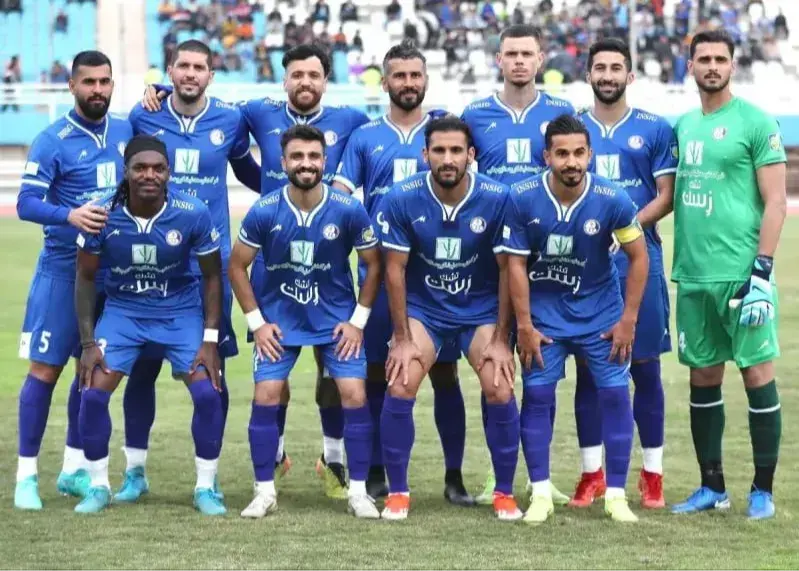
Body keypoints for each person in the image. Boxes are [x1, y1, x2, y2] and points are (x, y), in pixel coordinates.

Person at [142, 43, 371, 498]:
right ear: (283, 79)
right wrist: (165, 88)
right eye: (297, 74)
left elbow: (395, 129)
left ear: (325, 80)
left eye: (314, 75)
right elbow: (204, 102)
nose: (305, 82)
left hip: (326, 264)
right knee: (274, 371)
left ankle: (333, 459)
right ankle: (277, 453)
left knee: (332, 370)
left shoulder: (350, 120)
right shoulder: (257, 112)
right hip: (270, 265)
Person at [647, 30, 786, 520]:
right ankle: (712, 487)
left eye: (720, 59)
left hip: (742, 275)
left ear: (732, 64)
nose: (711, 66)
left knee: (757, 375)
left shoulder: (755, 122)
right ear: (689, 66)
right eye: (703, 58)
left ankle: (762, 490)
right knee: (703, 378)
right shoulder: (684, 125)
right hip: (693, 275)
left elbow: (776, 202)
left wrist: (762, 271)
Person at [119, 39, 260, 504]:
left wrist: (289, 192)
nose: (191, 74)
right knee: (142, 370)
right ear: (170, 70)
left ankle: (208, 478)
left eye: (200, 67)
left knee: (212, 372)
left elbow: (248, 171)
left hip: (208, 269)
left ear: (211, 75)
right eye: (183, 66)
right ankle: (134, 473)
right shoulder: (144, 116)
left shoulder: (230, 120)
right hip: (152, 265)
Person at [333, 41, 472, 504]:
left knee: (445, 373)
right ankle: (377, 472)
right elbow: (341, 197)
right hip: (380, 272)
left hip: (438, 277)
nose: (408, 83)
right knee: (380, 371)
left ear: (426, 79)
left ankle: (454, 477)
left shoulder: (445, 130)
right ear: (386, 81)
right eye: (400, 76)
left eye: (415, 75)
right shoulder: (366, 137)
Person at [228, 125, 381, 519]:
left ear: (325, 162)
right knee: (267, 394)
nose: (306, 164)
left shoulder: (347, 209)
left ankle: (358, 492)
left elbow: (374, 263)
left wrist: (358, 321)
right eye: (297, 156)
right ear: (283, 163)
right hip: (280, 320)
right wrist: (258, 323)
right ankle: (264, 491)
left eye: (314, 156)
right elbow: (236, 266)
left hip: (336, 320)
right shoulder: (265, 209)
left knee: (354, 393)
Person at [504, 114, 648, 524]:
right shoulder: (521, 197)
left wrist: (628, 320)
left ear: (590, 154)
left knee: (616, 396)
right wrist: (524, 325)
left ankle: (616, 496)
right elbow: (514, 265)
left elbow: (639, 257)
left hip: (600, 315)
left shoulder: (612, 198)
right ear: (546, 156)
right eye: (562, 153)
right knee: (537, 397)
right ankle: (541, 493)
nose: (571, 162)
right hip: (544, 320)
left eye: (579, 153)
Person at [377, 116, 521, 521]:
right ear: (425, 155)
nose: (447, 158)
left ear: (471, 155)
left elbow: (509, 269)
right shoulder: (401, 197)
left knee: (499, 387)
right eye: (439, 150)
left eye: (456, 150)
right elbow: (394, 271)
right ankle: (398, 493)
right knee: (401, 381)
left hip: (480, 309)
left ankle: (505, 493)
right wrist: (402, 338)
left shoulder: (497, 198)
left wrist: (501, 339)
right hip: (425, 310)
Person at [73, 135, 225, 515]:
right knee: (92, 393)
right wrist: (88, 343)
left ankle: (206, 487)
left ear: (169, 172)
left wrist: (209, 339)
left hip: (179, 312)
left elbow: (212, 276)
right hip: (124, 313)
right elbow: (85, 278)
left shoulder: (192, 212)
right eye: (140, 168)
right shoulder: (101, 213)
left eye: (158, 168)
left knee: (208, 394)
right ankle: (98, 486)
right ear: (125, 171)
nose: (149, 175)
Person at [460, 23, 573, 505]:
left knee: (539, 369)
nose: (520, 61)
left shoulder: (561, 112)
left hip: (545, 261)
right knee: (496, 367)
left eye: (528, 53)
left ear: (541, 59)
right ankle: (498, 472)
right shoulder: (475, 114)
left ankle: (538, 477)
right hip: (491, 259)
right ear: (499, 60)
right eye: (512, 54)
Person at [14, 50, 132, 511]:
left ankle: (73, 468)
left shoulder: (124, 130)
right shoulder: (51, 140)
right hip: (63, 271)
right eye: (89, 82)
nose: (97, 90)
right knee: (45, 371)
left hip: (109, 273)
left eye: (104, 81)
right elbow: (26, 203)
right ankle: (26, 477)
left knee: (91, 372)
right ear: (72, 86)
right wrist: (70, 215)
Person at [570, 38, 677, 509]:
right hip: (586, 265)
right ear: (588, 75)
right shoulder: (573, 127)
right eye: (601, 68)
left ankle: (652, 475)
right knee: (589, 371)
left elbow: (666, 195)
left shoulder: (655, 128)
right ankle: (591, 474)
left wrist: (626, 230)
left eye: (616, 68)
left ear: (629, 76)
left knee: (645, 367)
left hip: (638, 260)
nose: (608, 75)